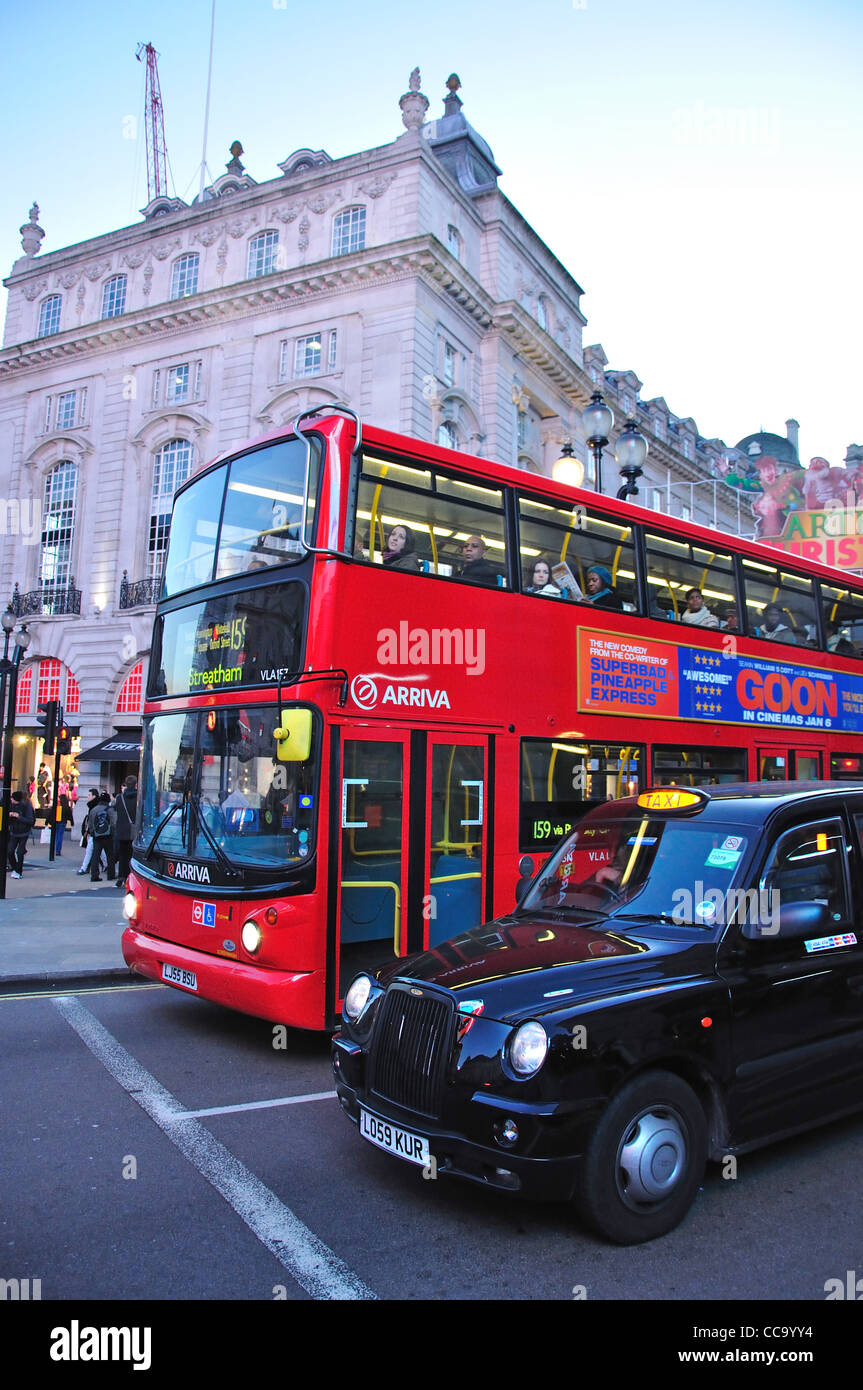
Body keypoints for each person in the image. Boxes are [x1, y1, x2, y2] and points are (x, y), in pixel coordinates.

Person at [113, 774, 138, 887]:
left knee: (123, 854)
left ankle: (121, 876)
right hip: (134, 830)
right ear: (135, 784)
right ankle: (130, 876)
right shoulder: (139, 797)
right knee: (133, 854)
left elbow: (116, 810)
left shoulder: (119, 798)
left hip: (122, 830)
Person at [7, 790, 35, 879]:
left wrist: (18, 816)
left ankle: (19, 871)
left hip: (24, 832)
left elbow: (30, 820)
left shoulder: (27, 805)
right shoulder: (11, 805)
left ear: (17, 800)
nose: (11, 800)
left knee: (19, 852)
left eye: (12, 799)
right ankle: (15, 869)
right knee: (10, 851)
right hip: (14, 831)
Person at [89, 792, 116, 882]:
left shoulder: (94, 810)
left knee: (95, 855)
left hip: (97, 836)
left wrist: (92, 832)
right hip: (108, 836)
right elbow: (113, 823)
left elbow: (90, 824)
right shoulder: (110, 809)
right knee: (110, 855)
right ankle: (111, 875)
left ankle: (94, 875)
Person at [77, 788, 102, 875]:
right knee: (99, 851)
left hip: (95, 832)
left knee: (90, 850)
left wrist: (88, 831)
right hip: (96, 832)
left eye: (89, 795)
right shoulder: (92, 806)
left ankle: (84, 868)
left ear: (94, 796)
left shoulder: (94, 807)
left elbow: (91, 820)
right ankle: (106, 866)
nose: (88, 797)